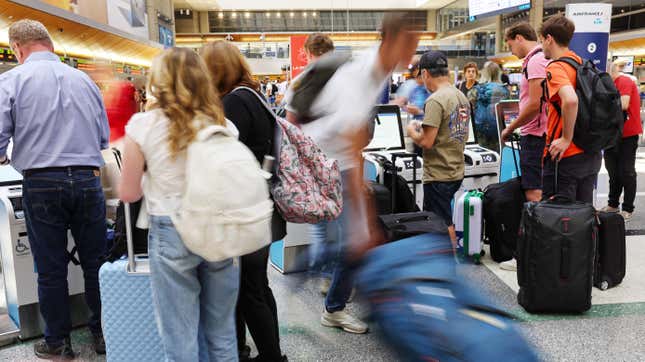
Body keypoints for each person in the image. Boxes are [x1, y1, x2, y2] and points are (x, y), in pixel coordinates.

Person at [284, 13, 420, 334]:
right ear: (388, 38)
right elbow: (351, 137)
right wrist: (362, 206)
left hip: (332, 160)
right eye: (407, 43)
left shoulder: (376, 72)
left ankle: (333, 298)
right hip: (326, 163)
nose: (411, 53)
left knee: (351, 242)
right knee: (352, 241)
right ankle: (323, 299)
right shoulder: (361, 73)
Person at [119, 48, 240, 361]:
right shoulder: (225, 127)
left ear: (160, 81)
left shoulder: (143, 126)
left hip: (170, 229)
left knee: (179, 335)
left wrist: (154, 175)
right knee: (222, 332)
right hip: (217, 230)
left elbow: (128, 193)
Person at [0, 19, 109, 359]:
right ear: (48, 43)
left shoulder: (11, 80)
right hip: (89, 180)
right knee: (95, 264)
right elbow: (103, 138)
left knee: (50, 268)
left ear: (18, 48)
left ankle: (58, 343)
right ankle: (105, 334)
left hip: (42, 183)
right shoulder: (85, 81)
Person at [201, 41, 288, 362]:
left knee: (248, 291)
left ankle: (270, 356)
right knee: (255, 287)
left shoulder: (233, 103)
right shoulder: (253, 97)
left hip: (242, 210)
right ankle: (256, 351)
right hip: (259, 204)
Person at [286, 33, 337, 292]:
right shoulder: (344, 83)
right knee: (339, 226)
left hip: (314, 163)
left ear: (307, 53)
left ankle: (325, 275)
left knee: (320, 227)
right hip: (341, 162)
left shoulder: (300, 82)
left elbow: (289, 126)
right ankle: (331, 275)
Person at [498, 22, 550, 271]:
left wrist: (510, 127)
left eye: (510, 44)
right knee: (537, 191)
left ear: (519, 38)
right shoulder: (539, 59)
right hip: (539, 135)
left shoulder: (536, 61)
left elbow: (534, 104)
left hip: (536, 136)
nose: (511, 50)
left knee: (534, 193)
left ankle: (530, 256)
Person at [406, 50, 470, 246]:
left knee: (441, 223)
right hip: (456, 170)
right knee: (443, 217)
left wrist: (411, 131)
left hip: (438, 174)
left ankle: (448, 266)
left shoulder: (435, 100)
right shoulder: (460, 95)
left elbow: (426, 142)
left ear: (425, 73)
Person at [540, 14, 602, 203]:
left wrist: (566, 138)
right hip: (590, 154)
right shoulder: (582, 63)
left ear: (549, 39)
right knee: (582, 217)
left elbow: (571, 100)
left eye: (541, 41)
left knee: (558, 220)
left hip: (566, 157)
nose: (542, 45)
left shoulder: (556, 67)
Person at [600, 60, 643, 221]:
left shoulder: (623, 81)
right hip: (612, 134)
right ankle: (612, 204)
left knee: (627, 172)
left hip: (627, 134)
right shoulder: (608, 84)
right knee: (613, 171)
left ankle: (627, 208)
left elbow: (624, 104)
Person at [468, 61, 510, 153]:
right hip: (499, 129)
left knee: (483, 154)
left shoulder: (476, 90)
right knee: (499, 154)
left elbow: (470, 107)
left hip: (480, 129)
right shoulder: (505, 90)